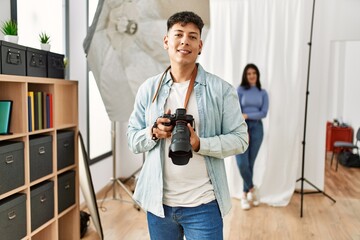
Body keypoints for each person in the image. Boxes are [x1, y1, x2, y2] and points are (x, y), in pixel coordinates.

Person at [127, 11, 249, 240]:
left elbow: (241, 139)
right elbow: (132, 139)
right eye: (179, 34)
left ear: (200, 45)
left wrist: (200, 143)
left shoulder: (221, 90)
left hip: (204, 205)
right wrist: (153, 132)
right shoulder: (148, 89)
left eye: (193, 37)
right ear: (166, 41)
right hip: (159, 205)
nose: (185, 41)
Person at [235, 63, 269, 210]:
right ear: (245, 75)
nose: (251, 76)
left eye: (254, 73)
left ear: (257, 75)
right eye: (249, 74)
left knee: (250, 163)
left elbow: (263, 113)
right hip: (242, 127)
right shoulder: (240, 90)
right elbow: (237, 110)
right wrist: (243, 117)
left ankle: (244, 194)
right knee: (242, 163)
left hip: (257, 128)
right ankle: (252, 190)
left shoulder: (263, 93)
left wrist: (248, 114)